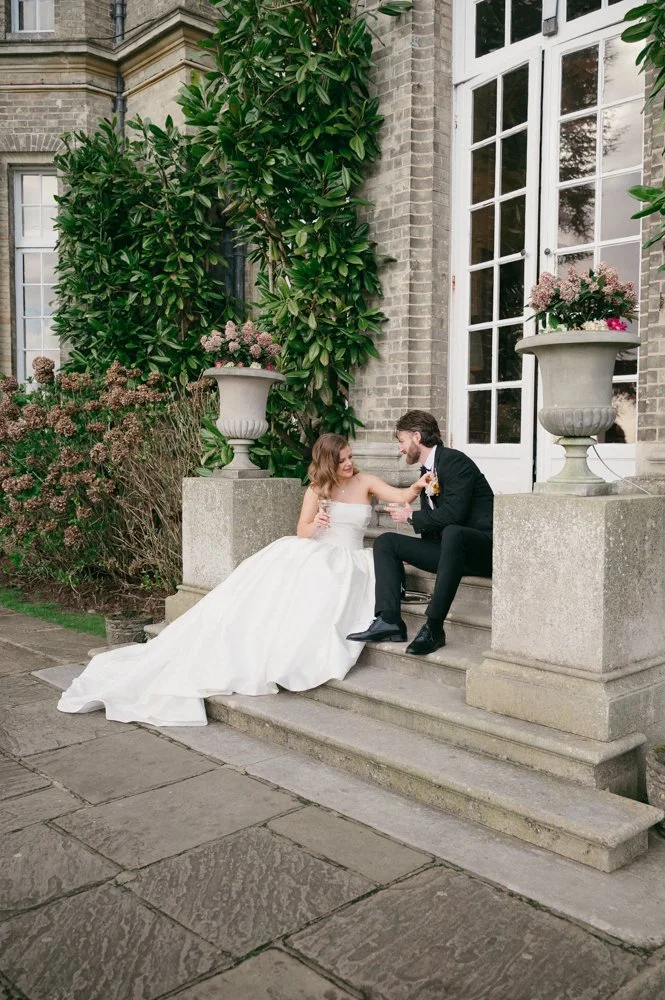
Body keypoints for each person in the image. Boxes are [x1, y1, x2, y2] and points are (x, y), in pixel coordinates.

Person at [57, 434, 430, 728]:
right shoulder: (317, 489)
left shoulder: (366, 481)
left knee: (334, 588)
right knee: (293, 589)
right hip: (318, 550)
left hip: (353, 557)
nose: (349, 464)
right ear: (328, 463)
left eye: (350, 457)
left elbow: (401, 495)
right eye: (342, 460)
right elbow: (301, 530)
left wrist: (419, 486)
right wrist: (316, 524)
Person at [347, 410, 493, 655]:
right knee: (386, 542)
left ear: (417, 437)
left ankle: (434, 628)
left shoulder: (454, 461)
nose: (401, 448)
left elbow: (453, 515)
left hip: (482, 550)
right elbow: (434, 525)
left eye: (402, 441)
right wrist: (415, 552)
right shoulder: (426, 471)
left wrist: (411, 517)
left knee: (454, 532)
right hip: (450, 551)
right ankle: (389, 620)